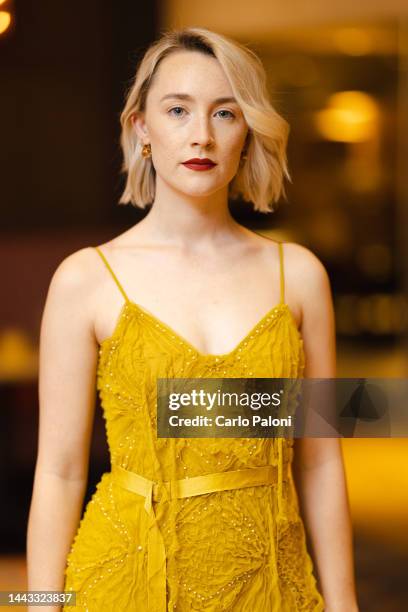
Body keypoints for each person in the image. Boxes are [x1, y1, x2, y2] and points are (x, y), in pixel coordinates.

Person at [27, 27, 359, 611]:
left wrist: (343, 603)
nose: (201, 135)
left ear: (248, 133)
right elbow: (58, 471)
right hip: (124, 582)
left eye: (225, 114)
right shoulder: (85, 279)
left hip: (272, 587)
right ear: (143, 129)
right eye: (177, 110)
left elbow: (322, 459)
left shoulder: (300, 276)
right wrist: (38, 606)